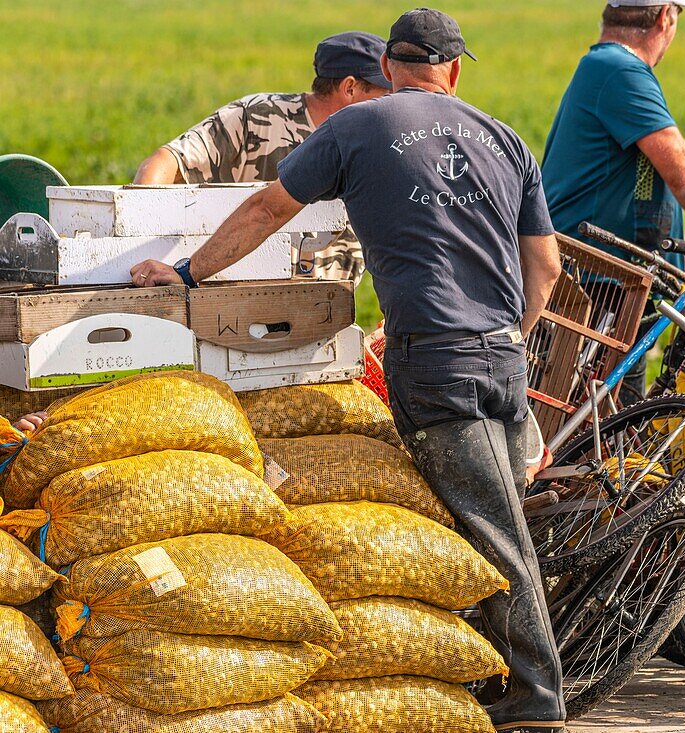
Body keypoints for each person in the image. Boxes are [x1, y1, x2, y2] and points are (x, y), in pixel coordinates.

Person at [130, 8, 567, 732]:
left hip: (435, 357)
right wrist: (511, 337)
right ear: (453, 72)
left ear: (387, 70)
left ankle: (538, 698)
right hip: (502, 357)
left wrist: (186, 273)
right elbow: (545, 266)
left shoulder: (355, 127)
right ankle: (493, 672)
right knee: (482, 518)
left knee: (490, 531)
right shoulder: (506, 138)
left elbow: (269, 209)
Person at [542, 0, 685, 403]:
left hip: (619, 279)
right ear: (665, 16)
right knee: (602, 420)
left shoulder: (605, 67)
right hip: (600, 281)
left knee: (616, 416)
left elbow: (637, 183)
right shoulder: (619, 71)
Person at [132, 31, 392, 282]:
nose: (394, 105)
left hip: (330, 307)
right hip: (244, 301)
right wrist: (137, 242)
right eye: (386, 94)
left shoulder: (379, 140)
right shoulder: (257, 117)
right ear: (350, 88)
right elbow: (165, 163)